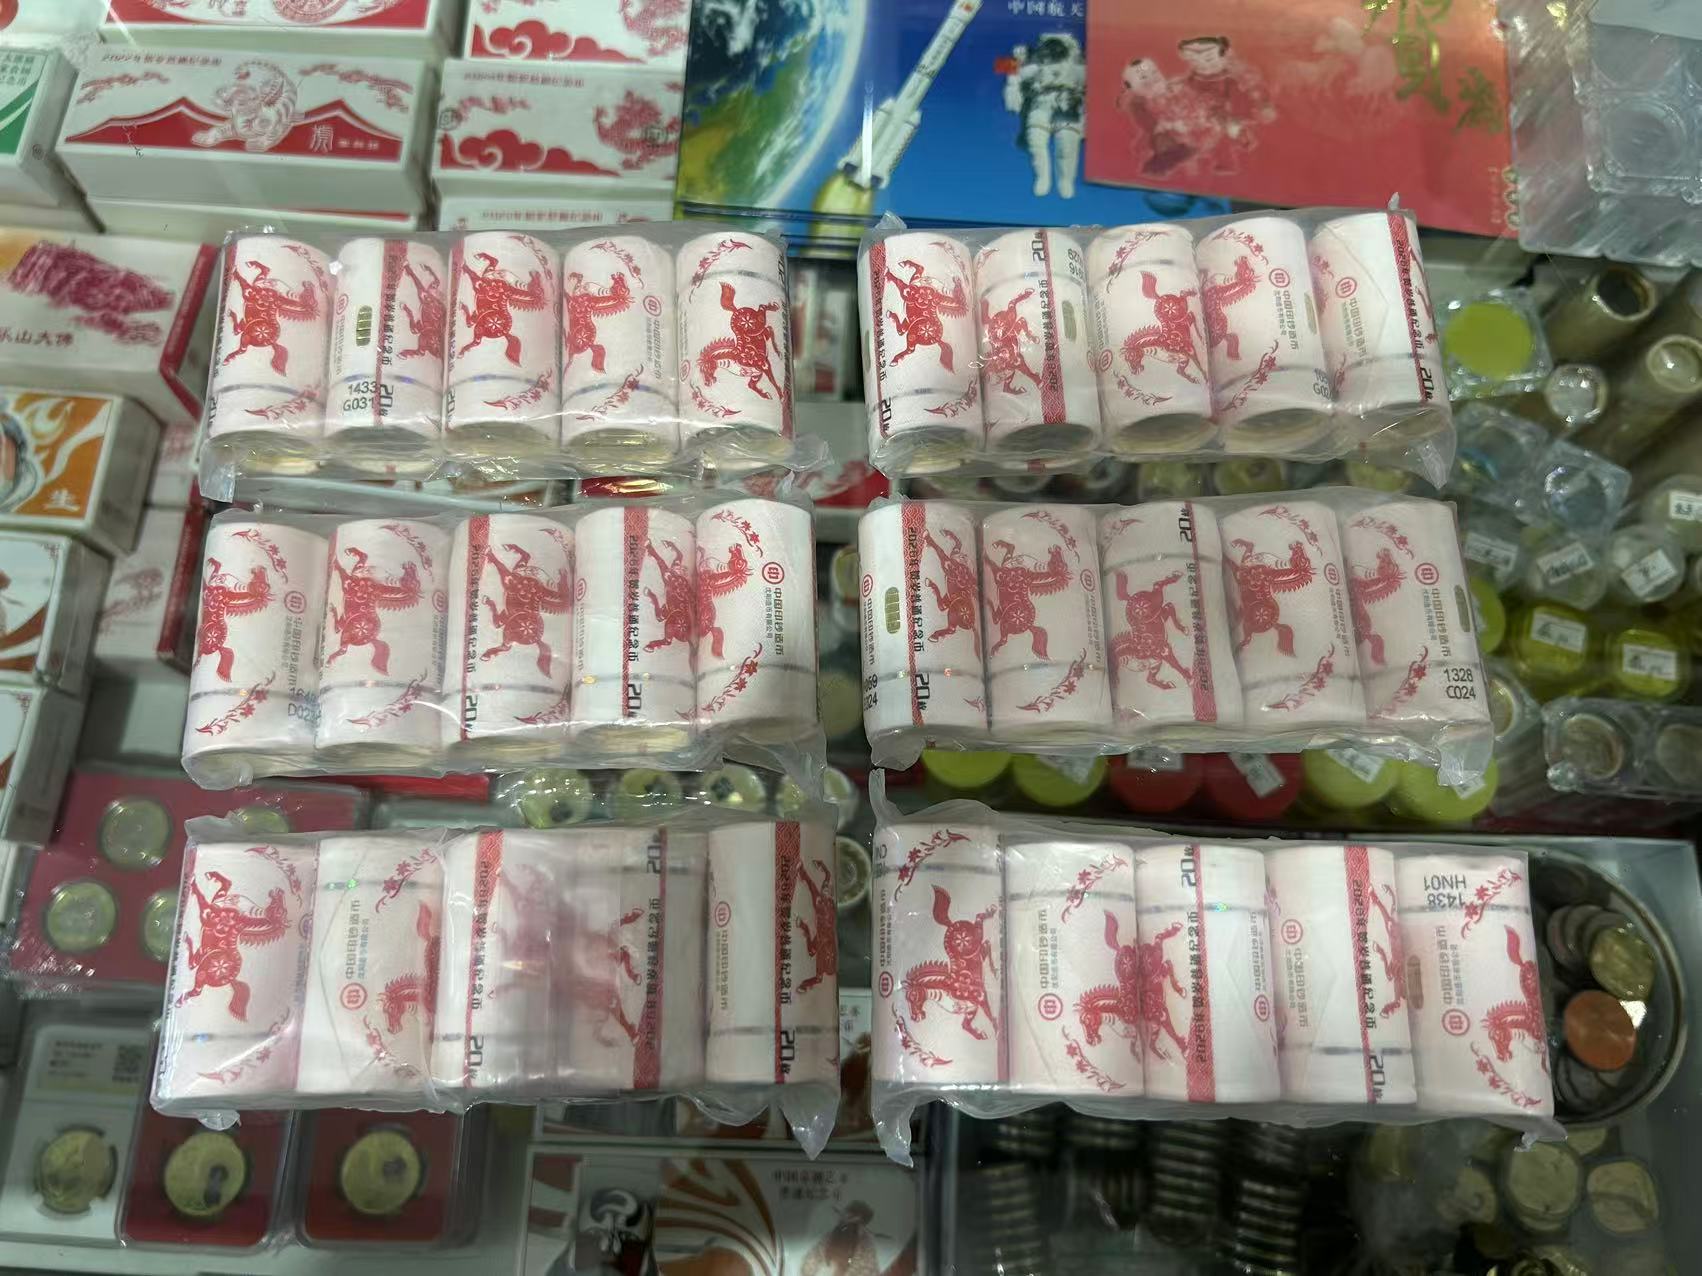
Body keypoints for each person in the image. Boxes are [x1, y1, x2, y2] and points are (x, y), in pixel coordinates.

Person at [1175, 35, 1275, 175]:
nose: (1203, 65)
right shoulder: (1193, 78)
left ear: (1222, 56)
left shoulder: (1230, 77)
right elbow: (1186, 90)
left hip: (1225, 117)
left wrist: (1261, 105)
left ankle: (1226, 160)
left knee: (1222, 136)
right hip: (1200, 115)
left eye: (1209, 59)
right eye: (1195, 61)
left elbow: (1247, 93)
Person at [1003, 33, 1087, 199]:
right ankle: (1042, 178)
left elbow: (1100, 76)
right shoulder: (1038, 68)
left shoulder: (1076, 69)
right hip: (1041, 105)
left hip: (1067, 107)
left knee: (1066, 145)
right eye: (1049, 49)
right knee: (1036, 142)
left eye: (1057, 49)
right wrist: (1015, 59)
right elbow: (1004, 68)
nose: (1053, 53)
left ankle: (1065, 181)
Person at [1116, 56, 1195, 176]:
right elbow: (1151, 125)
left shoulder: (1170, 87)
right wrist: (1171, 125)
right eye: (1144, 78)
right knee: (1164, 143)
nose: (1152, 79)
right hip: (1162, 134)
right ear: (1131, 87)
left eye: (1155, 73)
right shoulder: (1137, 104)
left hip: (1183, 124)